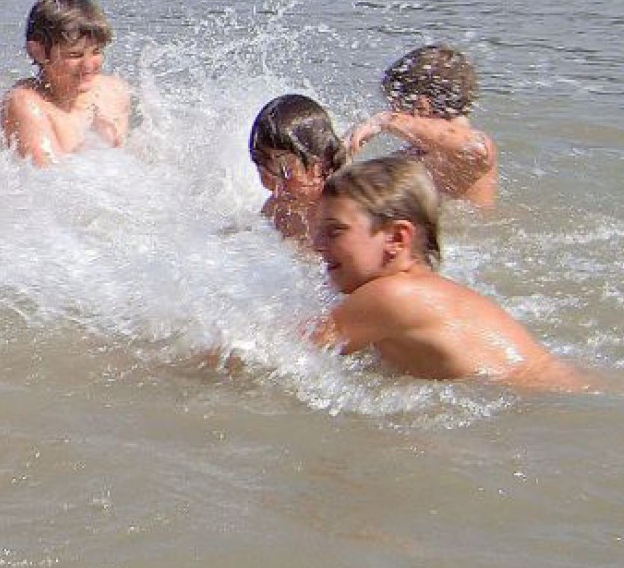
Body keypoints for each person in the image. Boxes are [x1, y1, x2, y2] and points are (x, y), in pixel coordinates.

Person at [308, 156, 580, 391]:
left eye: (335, 231)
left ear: (397, 238)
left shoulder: (391, 295)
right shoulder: (422, 291)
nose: (317, 244)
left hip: (544, 405)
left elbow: (286, 352)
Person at [343, 43, 498, 207]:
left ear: (421, 105)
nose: (392, 111)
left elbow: (476, 147)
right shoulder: (422, 153)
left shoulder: (460, 153)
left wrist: (386, 120)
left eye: (394, 106)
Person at [0, 0, 131, 165]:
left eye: (96, 52)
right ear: (37, 52)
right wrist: (92, 149)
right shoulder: (26, 103)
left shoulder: (114, 92)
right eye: (74, 55)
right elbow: (48, 178)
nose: (88, 65)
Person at [248, 93, 348, 245]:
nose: (277, 191)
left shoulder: (350, 207)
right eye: (266, 175)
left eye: (285, 172)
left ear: (323, 164)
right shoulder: (277, 211)